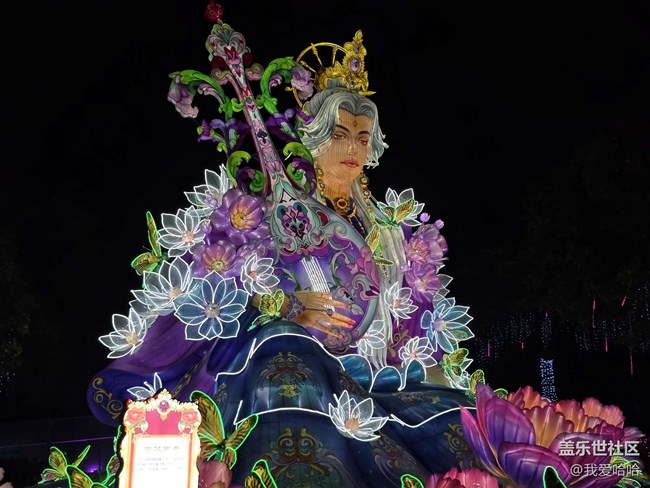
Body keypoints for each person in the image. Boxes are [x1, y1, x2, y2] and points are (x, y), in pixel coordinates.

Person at [87, 11, 479, 487]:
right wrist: (291, 308)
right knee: (286, 356)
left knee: (457, 412)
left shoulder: (391, 229)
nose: (352, 149)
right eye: (339, 135)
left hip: (373, 376)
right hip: (287, 363)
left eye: (362, 137)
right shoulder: (260, 210)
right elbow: (223, 294)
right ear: (313, 140)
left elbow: (412, 330)